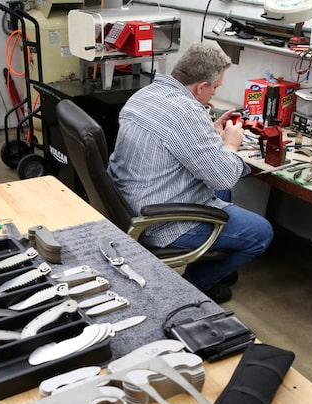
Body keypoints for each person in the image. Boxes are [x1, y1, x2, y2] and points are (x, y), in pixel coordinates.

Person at [107, 42, 274, 303]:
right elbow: (226, 176)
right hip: (158, 221)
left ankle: (214, 262)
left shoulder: (145, 94)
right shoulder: (187, 114)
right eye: (215, 87)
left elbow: (176, 138)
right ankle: (195, 285)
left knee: (221, 192)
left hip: (128, 200)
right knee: (261, 233)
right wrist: (230, 144)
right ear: (201, 87)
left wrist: (211, 131)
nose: (214, 92)